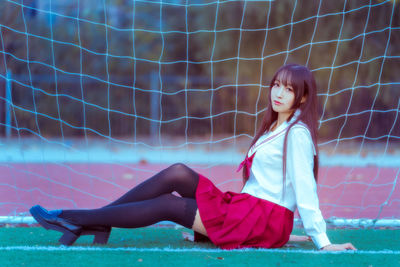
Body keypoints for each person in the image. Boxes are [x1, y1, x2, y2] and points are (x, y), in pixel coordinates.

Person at [30, 64, 356, 251]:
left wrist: (322, 241)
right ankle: (97, 220)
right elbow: (263, 188)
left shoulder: (297, 135)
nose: (278, 93)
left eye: (288, 89)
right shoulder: (275, 128)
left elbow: (304, 188)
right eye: (276, 85)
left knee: (169, 206)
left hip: (261, 219)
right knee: (178, 173)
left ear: (303, 97)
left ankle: (75, 218)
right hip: (248, 210)